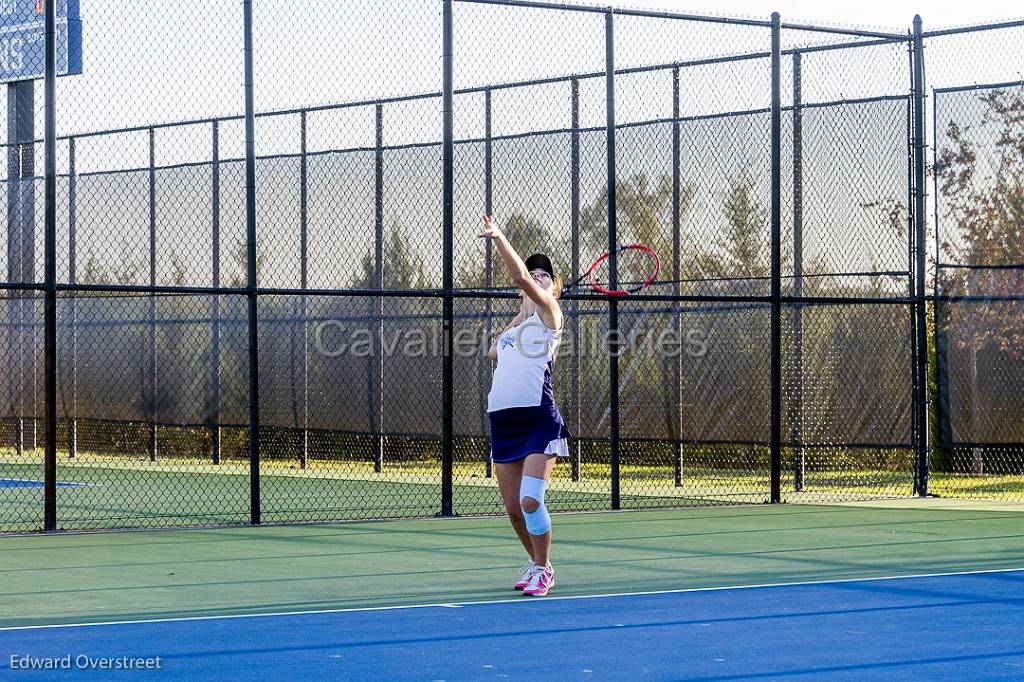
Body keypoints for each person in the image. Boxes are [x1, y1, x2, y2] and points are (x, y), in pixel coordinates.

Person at [479, 214, 570, 597]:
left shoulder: (551, 318)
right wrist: (518, 315)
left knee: (531, 500)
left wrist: (499, 237)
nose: (536, 275)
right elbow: (491, 354)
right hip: (503, 424)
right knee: (514, 510)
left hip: (537, 421)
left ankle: (545, 569)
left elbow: (522, 280)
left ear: (554, 290)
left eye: (544, 275)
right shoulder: (513, 332)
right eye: (533, 273)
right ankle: (535, 564)